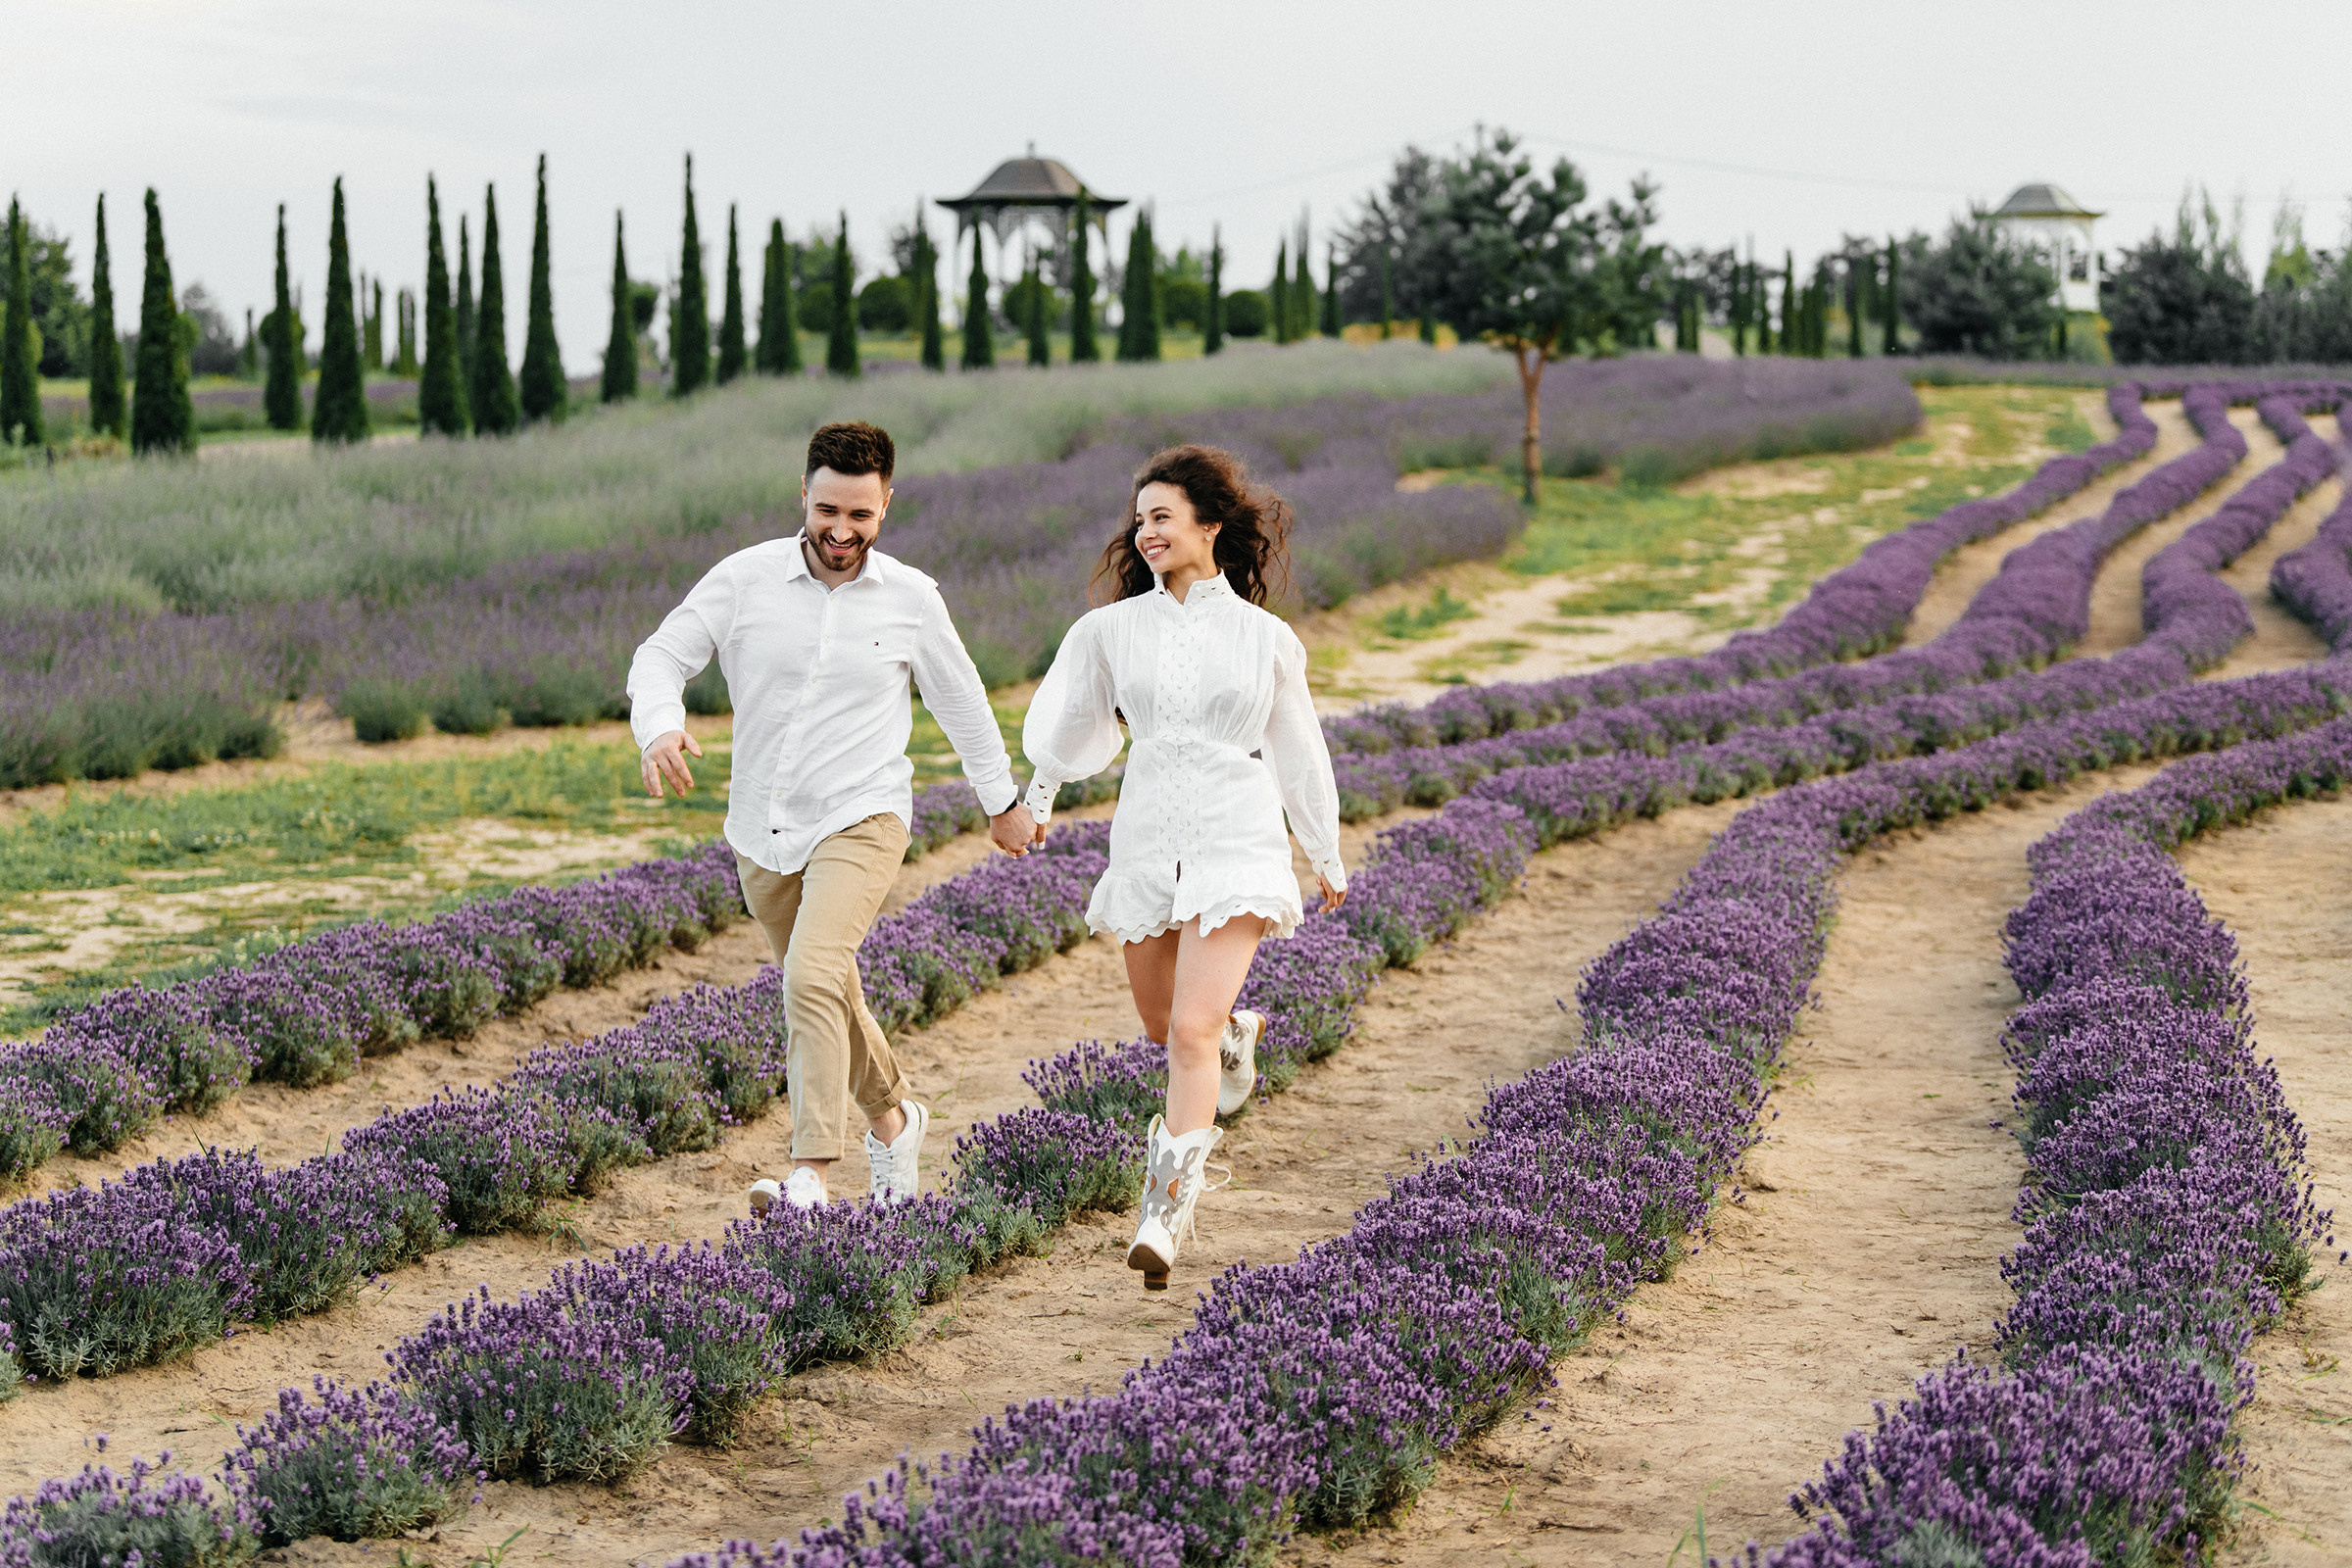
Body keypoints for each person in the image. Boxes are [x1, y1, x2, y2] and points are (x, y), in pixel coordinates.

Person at [628, 419, 1037, 1214]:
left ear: (886, 506)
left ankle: (811, 1172)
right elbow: (662, 654)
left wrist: (1003, 804)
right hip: (762, 827)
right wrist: (659, 725)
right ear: (803, 497)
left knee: (811, 975)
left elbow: (961, 701)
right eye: (827, 512)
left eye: (861, 515)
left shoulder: (913, 599)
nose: (841, 531)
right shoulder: (743, 580)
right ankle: (893, 1120)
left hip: (864, 815)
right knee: (828, 991)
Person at [1020, 443, 1348, 1291]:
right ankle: (1240, 1034)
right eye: (1139, 521)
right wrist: (1040, 800)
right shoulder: (1108, 631)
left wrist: (1323, 847)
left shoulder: (1266, 639)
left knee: (1188, 1037)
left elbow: (1299, 750)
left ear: (1209, 524)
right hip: (1146, 834)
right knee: (1166, 1027)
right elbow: (1061, 728)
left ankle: (1165, 1210)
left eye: (1162, 516)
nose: (1145, 533)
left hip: (1237, 831)